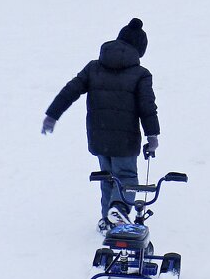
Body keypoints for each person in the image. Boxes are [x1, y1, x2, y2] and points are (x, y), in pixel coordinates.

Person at [42, 18, 160, 233]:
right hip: (125, 139)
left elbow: (70, 90)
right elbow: (147, 107)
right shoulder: (141, 74)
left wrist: (52, 114)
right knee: (126, 177)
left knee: (108, 178)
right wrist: (152, 135)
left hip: (99, 136)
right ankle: (119, 208)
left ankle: (108, 220)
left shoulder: (94, 67)